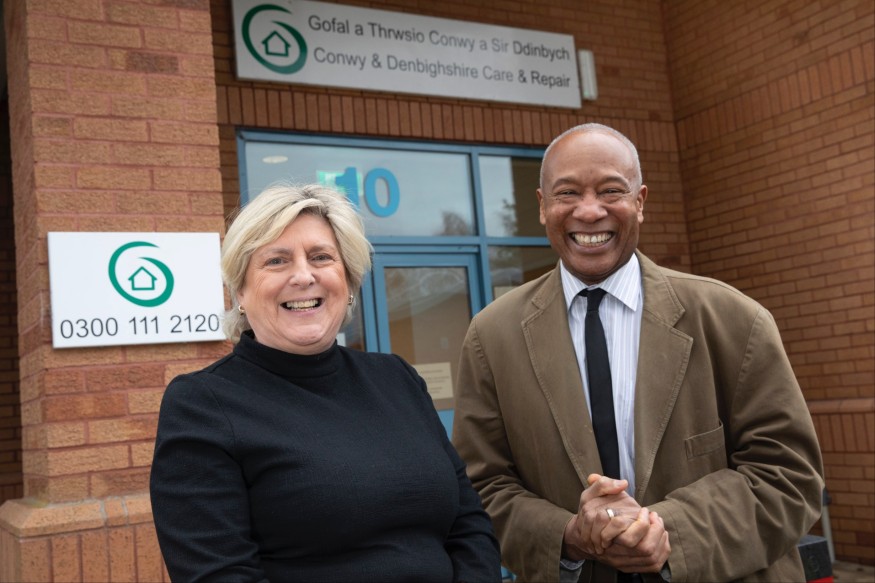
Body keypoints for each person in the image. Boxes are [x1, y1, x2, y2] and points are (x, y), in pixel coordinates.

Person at [451, 123, 824, 582]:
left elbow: (787, 476)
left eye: (611, 190)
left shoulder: (734, 319)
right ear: (543, 206)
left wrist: (669, 532)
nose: (590, 211)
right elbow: (480, 489)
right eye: (568, 193)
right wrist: (569, 534)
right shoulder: (491, 337)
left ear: (641, 202)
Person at [150, 183, 501, 583]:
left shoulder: (397, 378)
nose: (303, 276)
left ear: (348, 281)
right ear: (240, 291)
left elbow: (469, 524)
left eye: (321, 257)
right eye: (276, 261)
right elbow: (219, 573)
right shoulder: (202, 405)